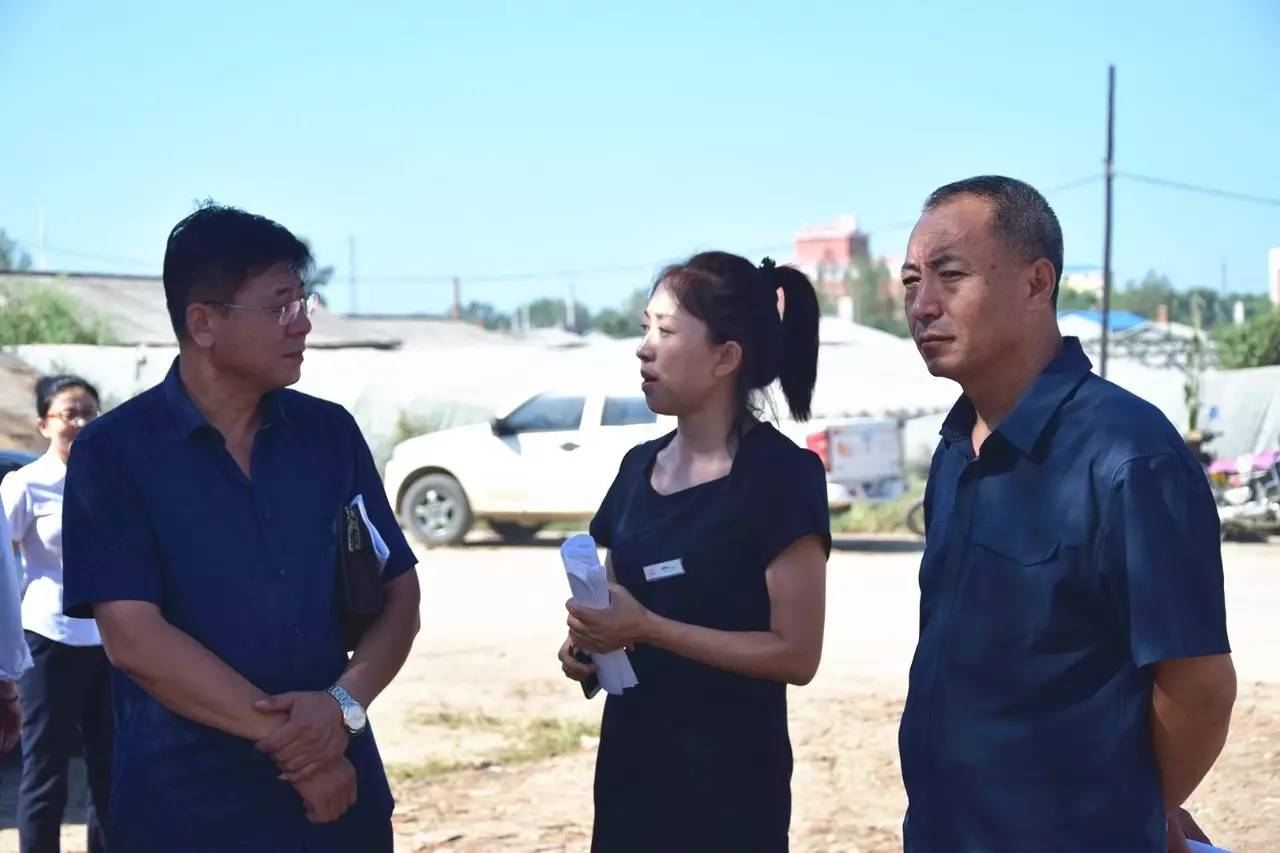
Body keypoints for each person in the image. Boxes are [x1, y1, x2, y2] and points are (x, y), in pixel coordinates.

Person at [60, 203, 422, 852]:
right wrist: (304, 751)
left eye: (303, 299)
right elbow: (134, 639)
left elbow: (400, 593)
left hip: (341, 809)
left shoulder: (329, 435)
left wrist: (341, 707)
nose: (304, 322)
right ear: (203, 322)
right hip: (190, 808)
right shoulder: (114, 454)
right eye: (280, 305)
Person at [896, 175, 1236, 852]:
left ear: (1035, 282)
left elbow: (1198, 687)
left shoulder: (1127, 455)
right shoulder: (955, 450)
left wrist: (1136, 807)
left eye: (949, 275)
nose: (922, 304)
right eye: (910, 282)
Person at [560, 252, 830, 852]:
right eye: (644, 328)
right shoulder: (636, 470)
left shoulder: (781, 477)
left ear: (726, 358)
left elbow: (797, 654)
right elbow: (618, 605)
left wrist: (650, 628)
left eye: (667, 330)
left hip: (729, 791)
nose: (644, 348)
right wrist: (589, 642)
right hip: (633, 776)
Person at [1, 375, 112, 853]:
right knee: (46, 773)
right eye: (71, 413)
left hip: (113, 643)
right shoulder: (25, 484)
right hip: (47, 639)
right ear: (45, 423)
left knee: (110, 771)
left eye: (90, 412)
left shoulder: (114, 481)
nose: (82, 422)